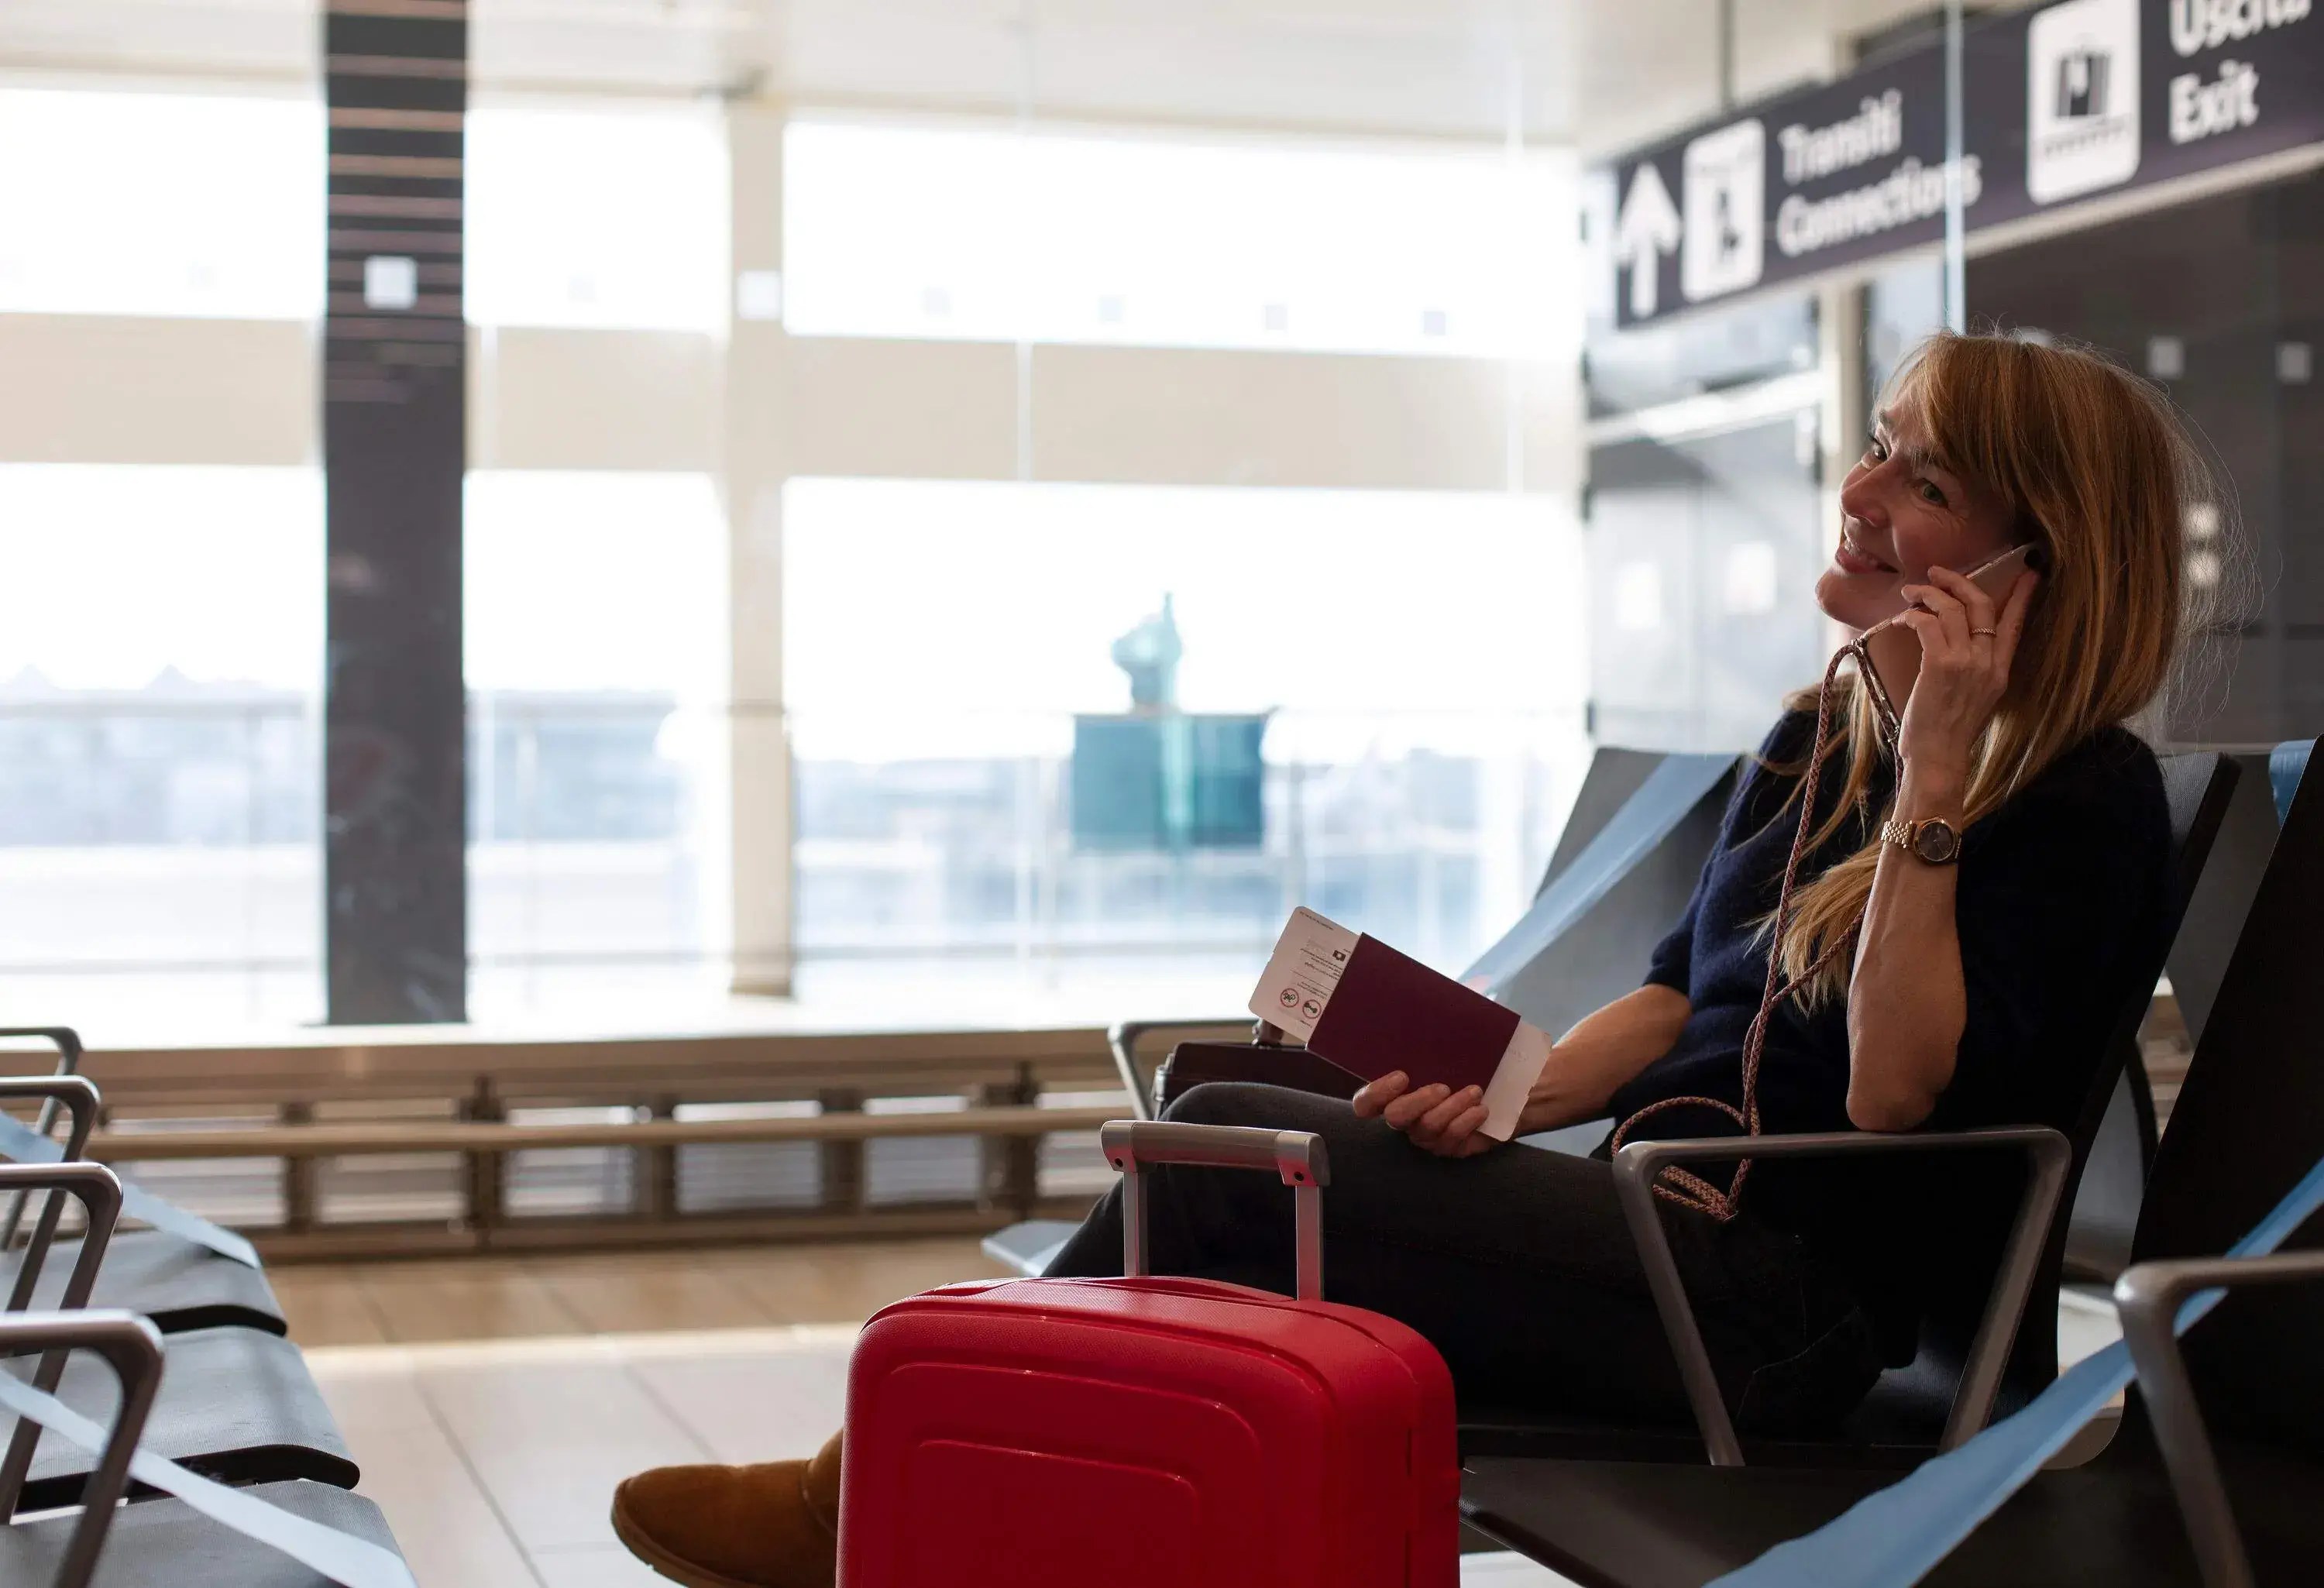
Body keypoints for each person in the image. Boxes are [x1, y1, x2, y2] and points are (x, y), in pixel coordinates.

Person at [607, 331, 2226, 1588]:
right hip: (1660, 1229)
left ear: (2029, 564)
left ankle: (888, 1496)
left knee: (1239, 1172)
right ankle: (961, 1496)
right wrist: (1512, 1097)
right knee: (1226, 1098)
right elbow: (1674, 994)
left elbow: (1887, 1095)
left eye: (1924, 484)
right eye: (1878, 449)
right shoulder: (1818, 740)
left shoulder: (2065, 802)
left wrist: (1938, 793)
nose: (1862, 495)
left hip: (1782, 1317)